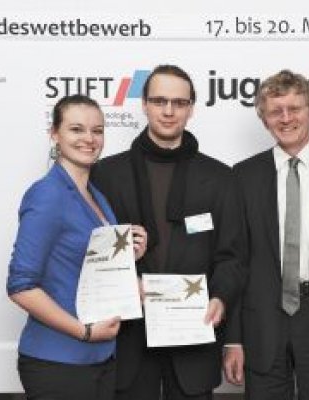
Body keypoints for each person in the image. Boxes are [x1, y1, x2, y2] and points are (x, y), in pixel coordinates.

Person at [90, 65, 245, 400]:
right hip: (127, 337)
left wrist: (221, 297)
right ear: (144, 104)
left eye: (179, 102)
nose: (169, 110)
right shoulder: (105, 174)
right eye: (159, 100)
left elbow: (231, 257)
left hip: (193, 338)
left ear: (191, 108)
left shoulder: (220, 178)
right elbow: (88, 259)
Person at [223, 69, 309, 400]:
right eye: (275, 111)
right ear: (264, 120)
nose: (285, 118)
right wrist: (233, 340)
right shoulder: (242, 176)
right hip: (261, 321)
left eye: (295, 108)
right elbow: (234, 260)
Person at [7, 94, 147, 400]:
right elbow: (20, 286)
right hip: (57, 361)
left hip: (101, 358)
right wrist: (84, 331)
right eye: (76, 129)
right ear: (54, 134)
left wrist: (127, 258)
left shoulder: (96, 195)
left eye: (97, 131)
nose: (89, 139)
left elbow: (85, 268)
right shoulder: (47, 194)